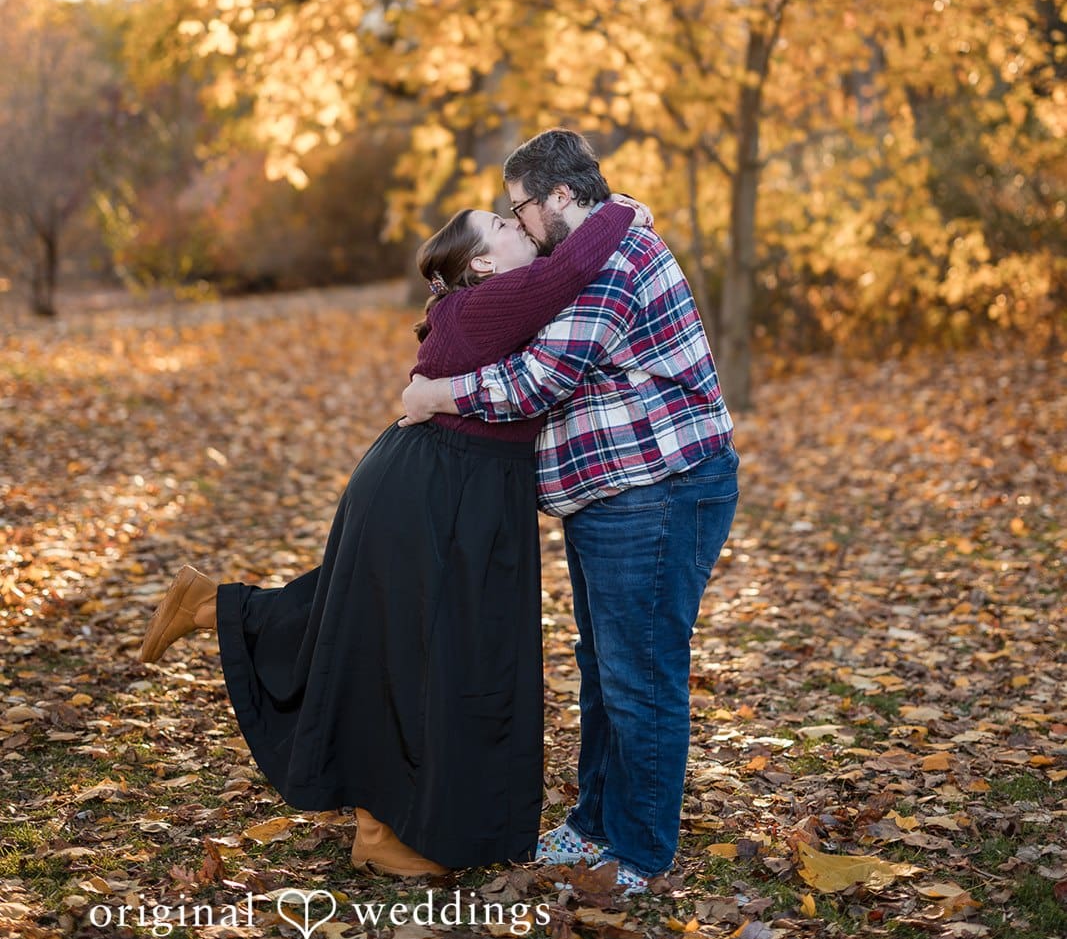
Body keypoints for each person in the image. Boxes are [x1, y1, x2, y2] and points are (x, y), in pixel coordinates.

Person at [137, 193, 645, 877]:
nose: (514, 222)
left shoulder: (496, 298)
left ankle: (215, 607)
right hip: (434, 486)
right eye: (500, 224)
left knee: (378, 627)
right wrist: (621, 209)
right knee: (401, 649)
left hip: (454, 485)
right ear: (484, 260)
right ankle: (382, 830)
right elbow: (572, 268)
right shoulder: (491, 299)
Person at [401, 129, 738, 895]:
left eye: (520, 208)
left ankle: (640, 853)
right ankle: (594, 825)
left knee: (640, 678)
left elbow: (540, 379)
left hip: (659, 486)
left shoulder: (617, 260)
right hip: (612, 494)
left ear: (558, 197)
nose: (516, 224)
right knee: (602, 670)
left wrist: (436, 396)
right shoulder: (576, 259)